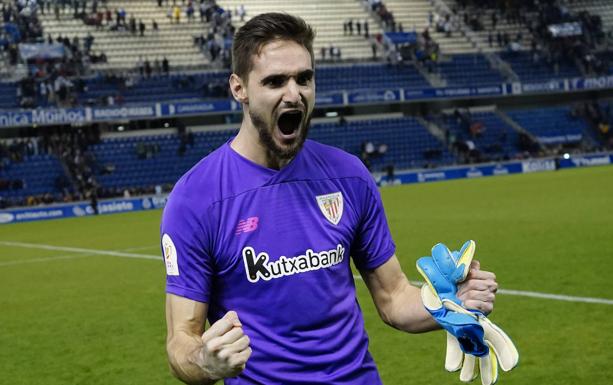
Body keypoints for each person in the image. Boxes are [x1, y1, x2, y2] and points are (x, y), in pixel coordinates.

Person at [161, 12, 498, 385]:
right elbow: (181, 340)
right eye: (275, 81)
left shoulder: (349, 175)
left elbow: (394, 298)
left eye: (304, 78)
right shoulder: (196, 199)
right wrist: (207, 362)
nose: (294, 94)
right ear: (239, 88)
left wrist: (449, 304)